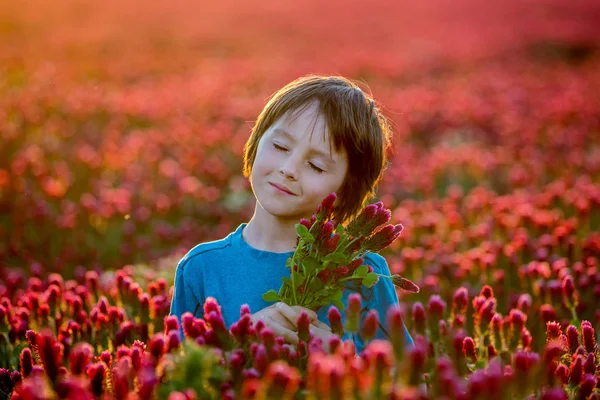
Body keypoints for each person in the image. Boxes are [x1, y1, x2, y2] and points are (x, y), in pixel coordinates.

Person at [169, 75, 413, 353]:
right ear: (256, 141)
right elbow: (173, 374)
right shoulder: (202, 268)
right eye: (280, 146)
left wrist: (340, 360)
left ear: (346, 190)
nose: (289, 168)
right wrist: (238, 343)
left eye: (316, 165)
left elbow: (406, 380)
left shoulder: (364, 274)